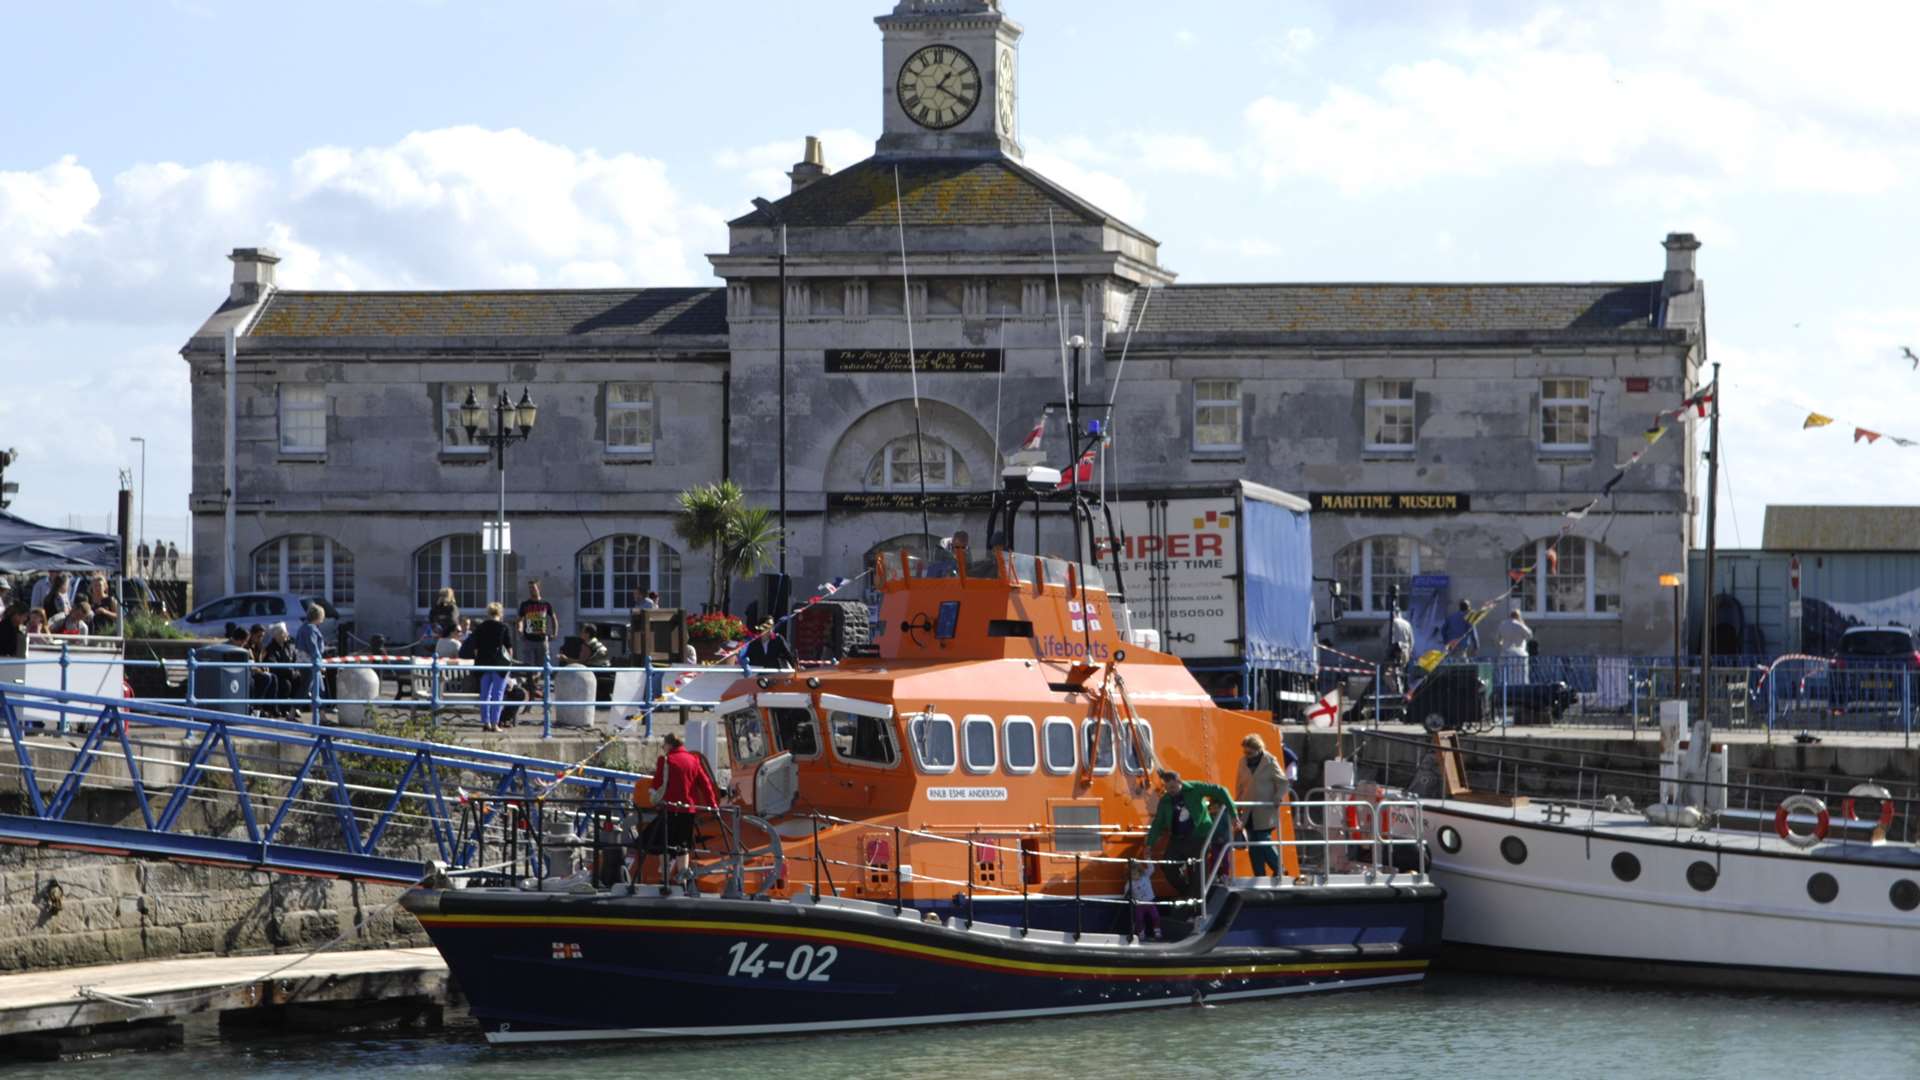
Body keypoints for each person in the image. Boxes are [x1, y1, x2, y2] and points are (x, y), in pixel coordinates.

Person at [637, 732, 721, 887]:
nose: (663, 749)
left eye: (663, 746)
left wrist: (652, 798)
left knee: (663, 843)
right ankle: (683, 880)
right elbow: (706, 785)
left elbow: (657, 784)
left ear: (669, 745)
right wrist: (713, 805)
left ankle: (665, 877)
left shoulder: (666, 760)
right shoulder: (694, 761)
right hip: (688, 811)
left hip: (669, 809)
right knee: (684, 846)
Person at [1144, 768, 1237, 899]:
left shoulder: (1195, 788)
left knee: (1198, 870)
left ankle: (1197, 900)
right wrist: (1149, 845)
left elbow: (1221, 791)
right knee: (1168, 865)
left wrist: (1233, 814)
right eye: (1167, 787)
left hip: (1199, 836)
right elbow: (1158, 823)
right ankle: (1188, 893)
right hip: (1177, 839)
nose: (1170, 790)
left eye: (1172, 786)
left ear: (1179, 781)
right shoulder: (1165, 800)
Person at [1235, 733, 1290, 879]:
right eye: (1245, 752)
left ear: (1258, 749)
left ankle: (1280, 869)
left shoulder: (1270, 761)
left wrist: (1278, 797)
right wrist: (1237, 804)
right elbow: (1239, 785)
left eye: (1249, 752)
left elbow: (1283, 782)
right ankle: (1259, 875)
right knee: (1253, 845)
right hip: (1248, 809)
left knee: (1263, 840)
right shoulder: (1242, 762)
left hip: (1264, 809)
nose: (1247, 755)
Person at [468, 602, 515, 732]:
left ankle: (486, 722)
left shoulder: (481, 627)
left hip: (483, 663)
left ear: (488, 613)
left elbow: (476, 649)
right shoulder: (504, 627)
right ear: (500, 613)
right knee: (497, 694)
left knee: (485, 694)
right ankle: (495, 724)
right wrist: (509, 665)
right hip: (499, 664)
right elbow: (509, 649)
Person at [517, 581, 556, 682]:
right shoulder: (525, 604)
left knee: (542, 665)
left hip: (542, 639)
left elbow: (553, 618)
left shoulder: (545, 604)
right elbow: (520, 619)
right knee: (528, 665)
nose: (531, 591)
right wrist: (520, 630)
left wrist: (554, 633)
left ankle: (539, 684)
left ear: (538, 588)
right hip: (529, 639)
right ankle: (530, 684)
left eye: (533, 588)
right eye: (530, 588)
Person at [1128, 862, 1163, 941]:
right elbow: (1126, 893)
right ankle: (1141, 933)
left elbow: (1152, 869)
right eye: (1131, 874)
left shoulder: (1145, 877)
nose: (1133, 876)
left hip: (1150, 902)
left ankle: (1157, 931)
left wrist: (1148, 859)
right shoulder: (1129, 883)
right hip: (1139, 905)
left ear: (1140, 872)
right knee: (1139, 919)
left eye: (1135, 873)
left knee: (1155, 917)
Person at [1499, 609, 1534, 680]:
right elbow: (1530, 635)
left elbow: (1498, 638)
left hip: (1506, 653)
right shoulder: (1520, 625)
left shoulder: (1503, 624)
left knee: (1506, 676)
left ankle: (1505, 690)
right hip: (1519, 653)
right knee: (1520, 677)